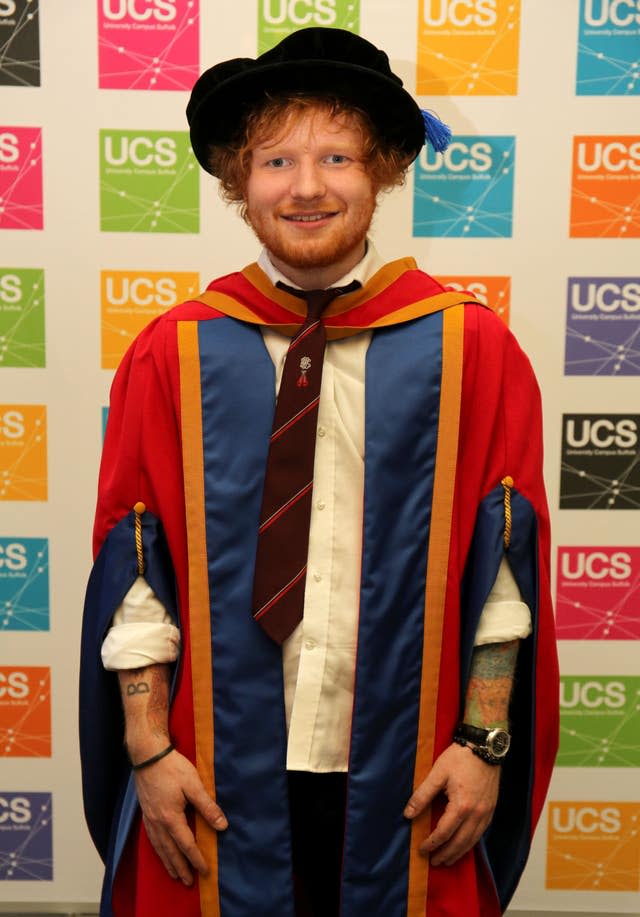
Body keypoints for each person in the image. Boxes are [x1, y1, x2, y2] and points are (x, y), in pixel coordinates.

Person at [80, 27, 559, 917]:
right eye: (275, 160)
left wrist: (485, 741)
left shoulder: (471, 347)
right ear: (239, 180)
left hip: (411, 767)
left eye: (337, 155)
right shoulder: (176, 350)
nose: (306, 186)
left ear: (379, 170)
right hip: (216, 767)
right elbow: (133, 576)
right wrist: (149, 749)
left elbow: (503, 570)